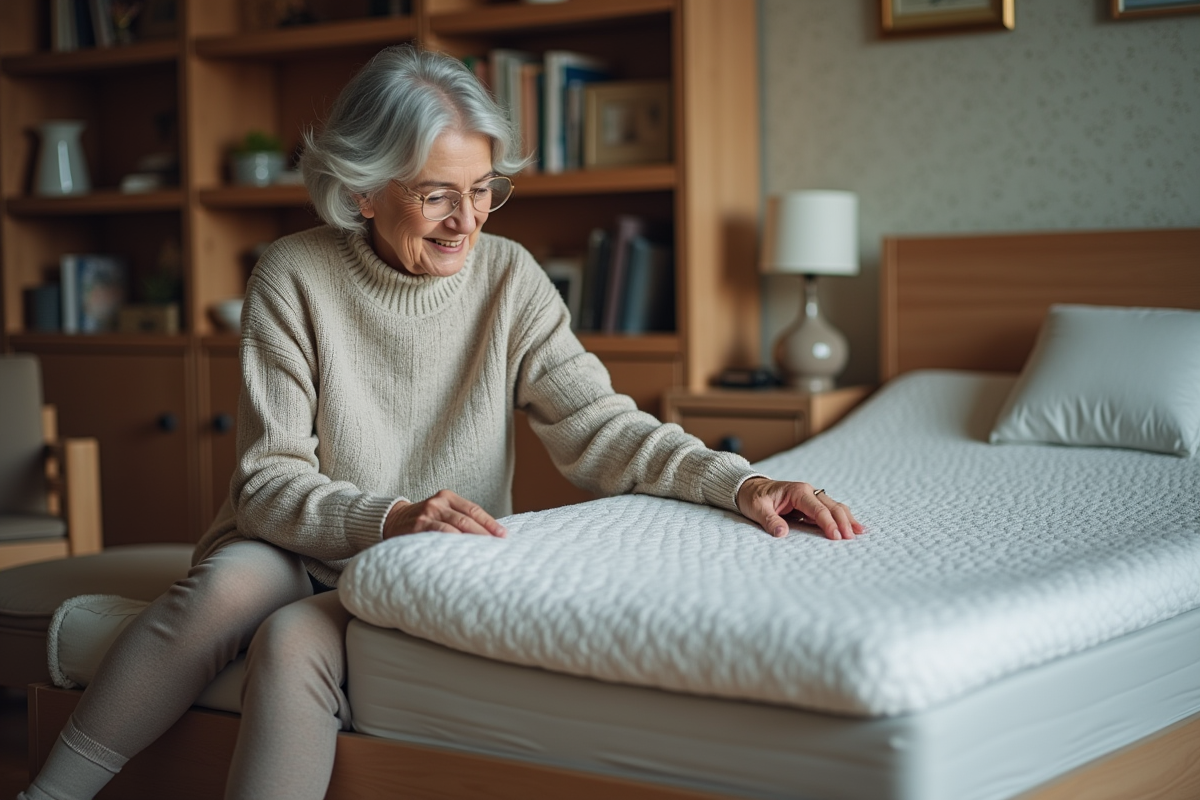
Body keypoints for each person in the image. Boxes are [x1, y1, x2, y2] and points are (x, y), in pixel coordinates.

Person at [19, 45, 862, 800]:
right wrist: (388, 513)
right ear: (361, 190)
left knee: (288, 646)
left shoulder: (510, 279)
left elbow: (602, 427)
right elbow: (268, 482)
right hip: (294, 535)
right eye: (437, 196)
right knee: (229, 591)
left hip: (421, 559)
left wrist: (740, 480)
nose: (469, 221)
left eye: (484, 189)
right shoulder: (293, 274)